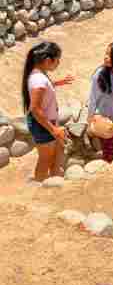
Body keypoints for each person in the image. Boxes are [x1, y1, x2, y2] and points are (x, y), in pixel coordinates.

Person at [21, 41, 73, 182]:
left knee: (51, 157)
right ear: (48, 60)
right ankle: (40, 187)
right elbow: (35, 108)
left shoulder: (39, 74)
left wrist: (57, 83)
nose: (59, 62)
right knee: (45, 160)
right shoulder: (38, 80)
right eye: (58, 59)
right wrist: (53, 129)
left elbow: (44, 88)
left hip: (44, 123)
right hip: (43, 125)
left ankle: (52, 183)